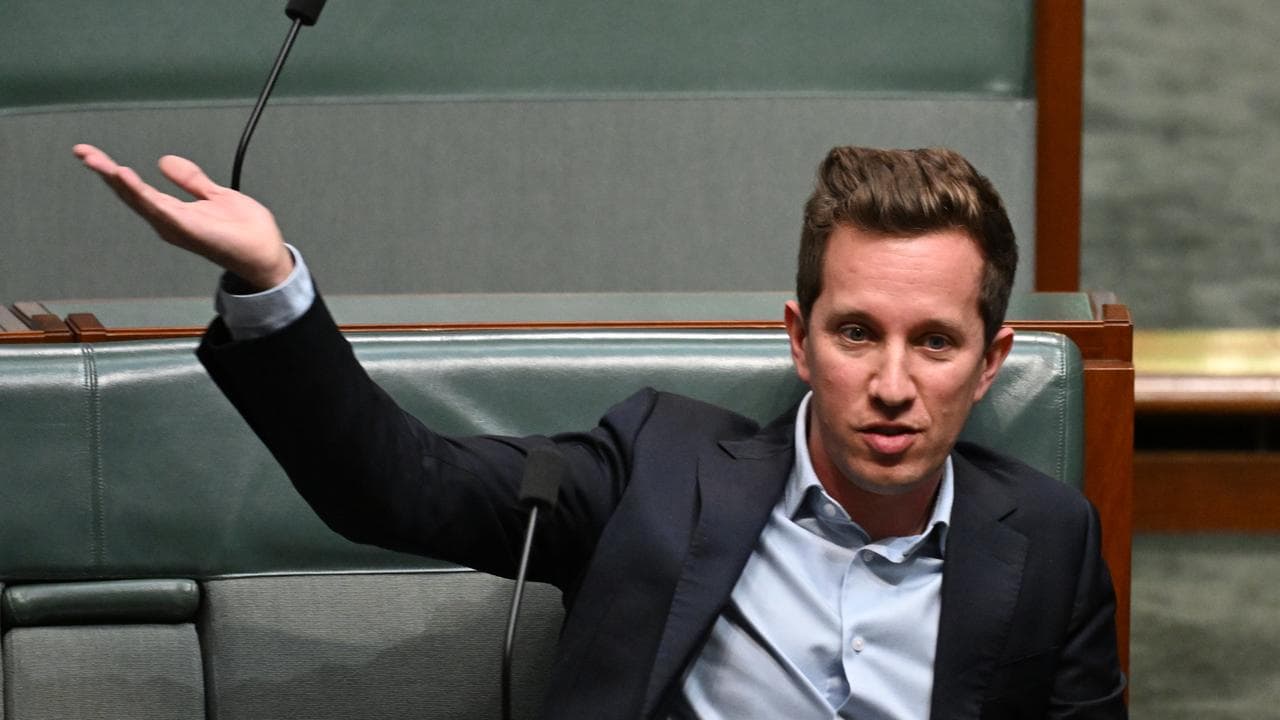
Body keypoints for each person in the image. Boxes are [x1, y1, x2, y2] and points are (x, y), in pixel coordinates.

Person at [74, 143, 1127, 719]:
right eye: (857, 333)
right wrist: (270, 282)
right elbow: (395, 486)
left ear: (989, 361)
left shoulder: (1048, 538)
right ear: (799, 340)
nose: (891, 384)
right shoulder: (660, 469)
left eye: (934, 343)